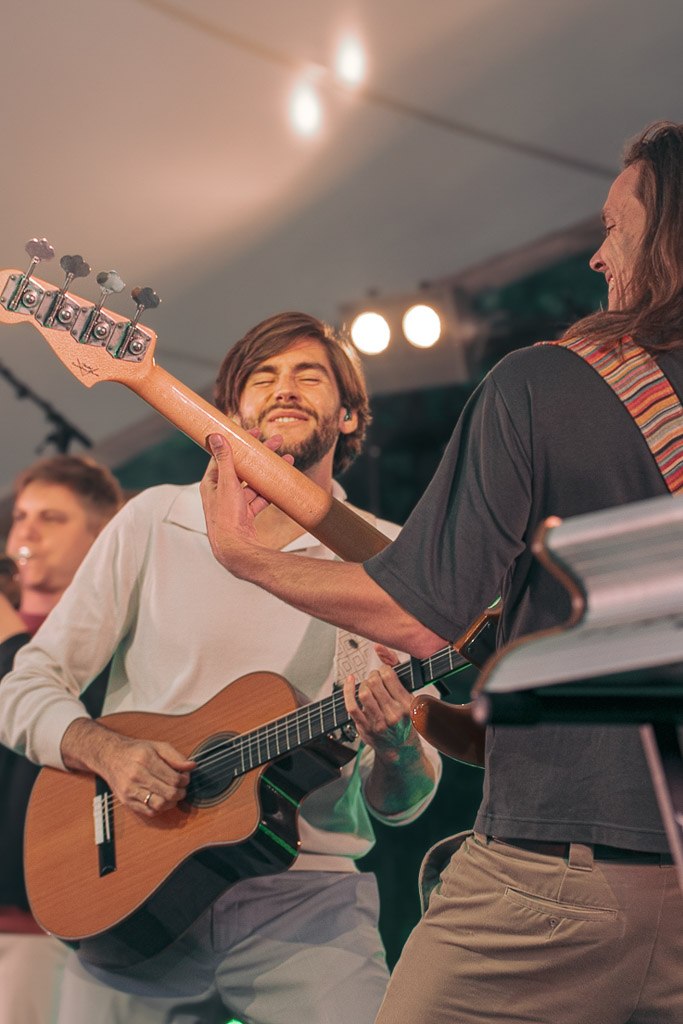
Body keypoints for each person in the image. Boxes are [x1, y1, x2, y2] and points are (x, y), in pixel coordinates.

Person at [196, 121, 683, 1024]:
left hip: (561, 880)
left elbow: (417, 619)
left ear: (664, 236)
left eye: (615, 226)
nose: (596, 256)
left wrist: (241, 556)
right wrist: (430, 725)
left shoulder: (544, 383)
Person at [0, 312, 440, 1024]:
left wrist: (394, 747)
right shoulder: (153, 520)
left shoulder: (388, 558)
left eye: (309, 374)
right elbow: (24, 684)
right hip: (126, 888)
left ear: (351, 413)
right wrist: (107, 751)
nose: (283, 388)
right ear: (230, 411)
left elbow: (402, 801)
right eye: (261, 376)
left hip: (306, 900)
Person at [0, 455, 123, 1024]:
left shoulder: (110, 641)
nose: (24, 532)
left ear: (101, 536)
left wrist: (8, 644)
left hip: (40, 926)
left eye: (50, 518)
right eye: (21, 515)